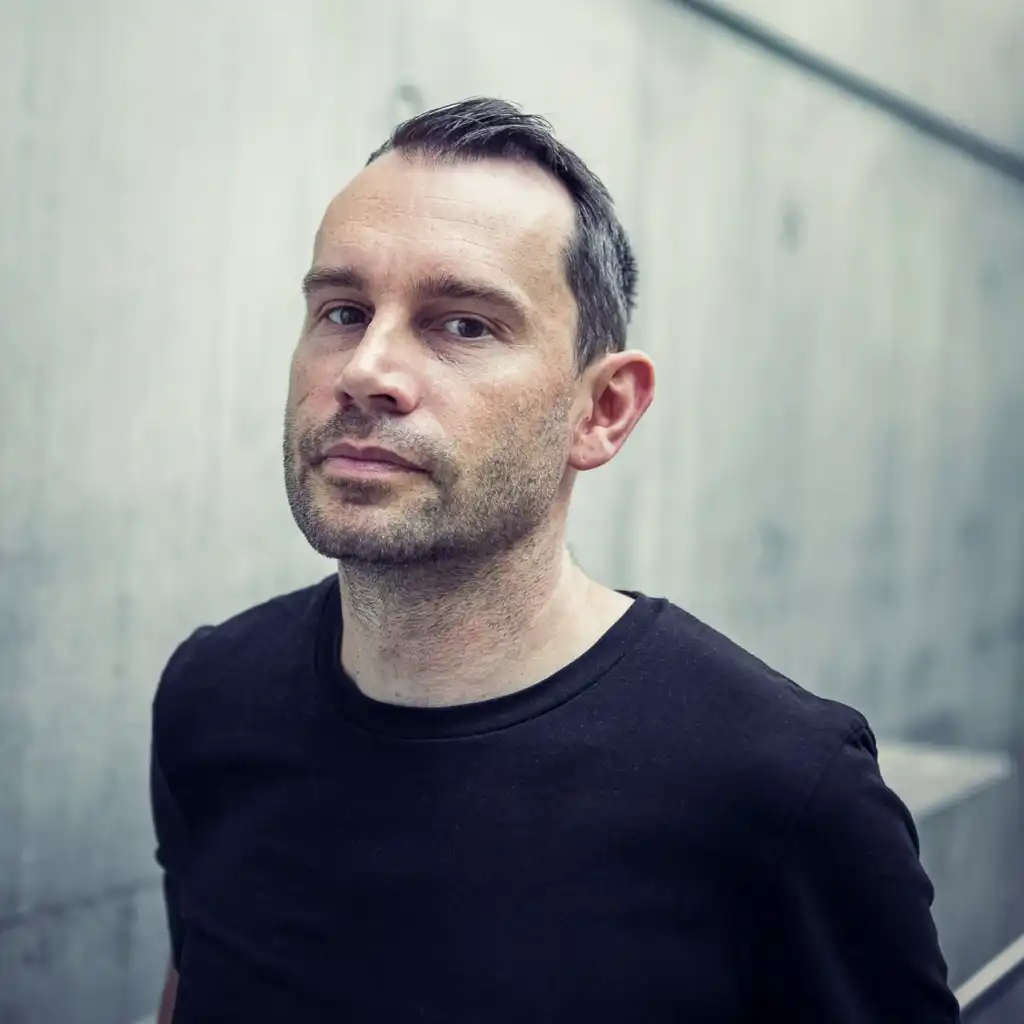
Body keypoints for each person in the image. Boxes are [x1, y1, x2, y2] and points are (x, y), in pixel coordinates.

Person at [150, 96, 961, 1023]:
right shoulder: (212, 696)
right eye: (342, 310)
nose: (366, 369)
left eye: (463, 324)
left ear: (602, 410)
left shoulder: (784, 790)